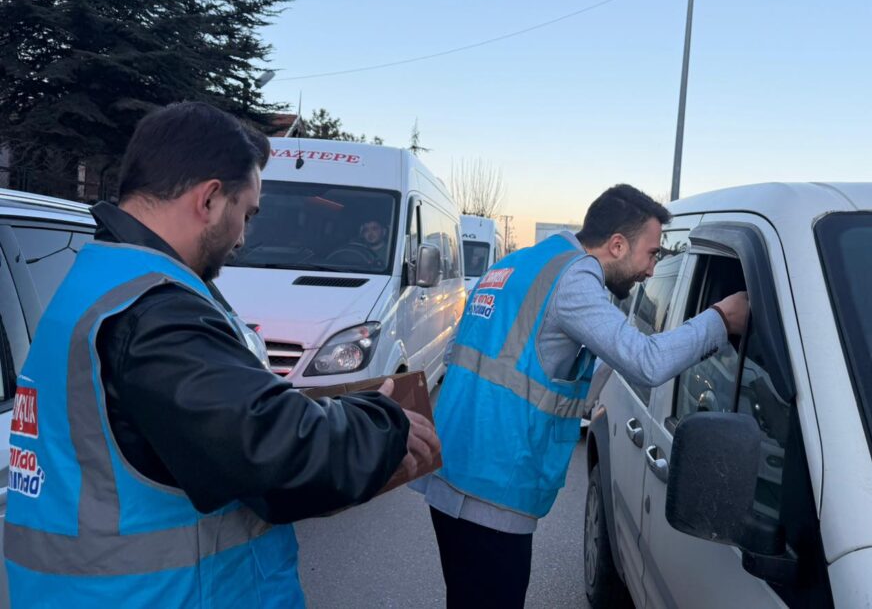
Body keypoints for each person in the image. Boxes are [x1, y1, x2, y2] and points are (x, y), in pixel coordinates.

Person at [4, 102, 440, 607]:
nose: (243, 237)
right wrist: (385, 422)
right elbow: (276, 452)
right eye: (246, 213)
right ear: (210, 199)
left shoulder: (99, 278)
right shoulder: (156, 314)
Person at [413, 184, 750, 607]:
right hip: (492, 488)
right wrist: (721, 319)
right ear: (616, 245)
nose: (651, 270)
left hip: (453, 473)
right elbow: (646, 361)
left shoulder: (519, 264)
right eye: (651, 254)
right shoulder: (574, 277)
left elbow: (496, 360)